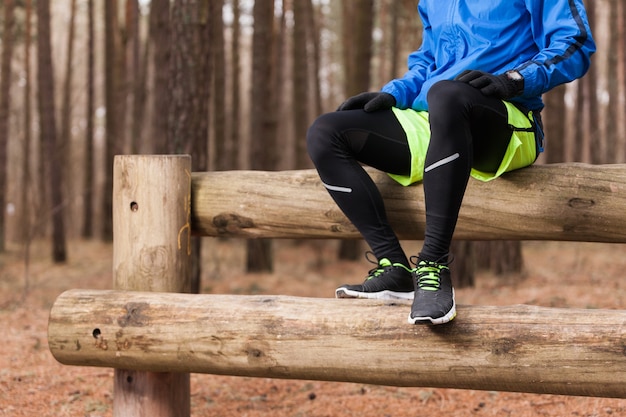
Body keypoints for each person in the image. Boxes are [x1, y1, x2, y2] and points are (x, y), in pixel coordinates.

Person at [306, 0, 595, 325]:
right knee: (326, 131)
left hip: (510, 119)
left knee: (447, 94)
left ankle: (433, 265)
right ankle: (394, 267)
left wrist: (516, 79)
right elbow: (429, 61)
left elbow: (575, 43)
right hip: (436, 118)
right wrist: (395, 93)